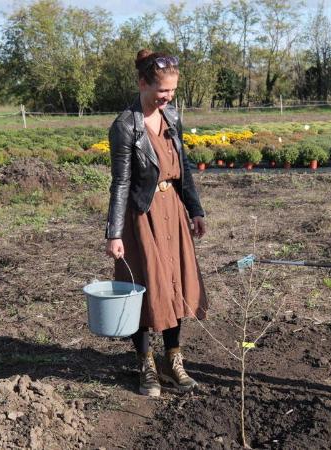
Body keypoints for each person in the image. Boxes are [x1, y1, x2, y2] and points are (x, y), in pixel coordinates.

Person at [105, 49, 208, 397]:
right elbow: (120, 182)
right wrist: (114, 233)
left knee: (175, 285)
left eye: (172, 91)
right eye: (162, 91)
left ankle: (174, 360)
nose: (167, 98)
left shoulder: (172, 117)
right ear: (142, 83)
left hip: (173, 211)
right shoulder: (126, 125)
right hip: (142, 216)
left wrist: (195, 210)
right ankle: (146, 364)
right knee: (146, 290)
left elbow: (185, 169)